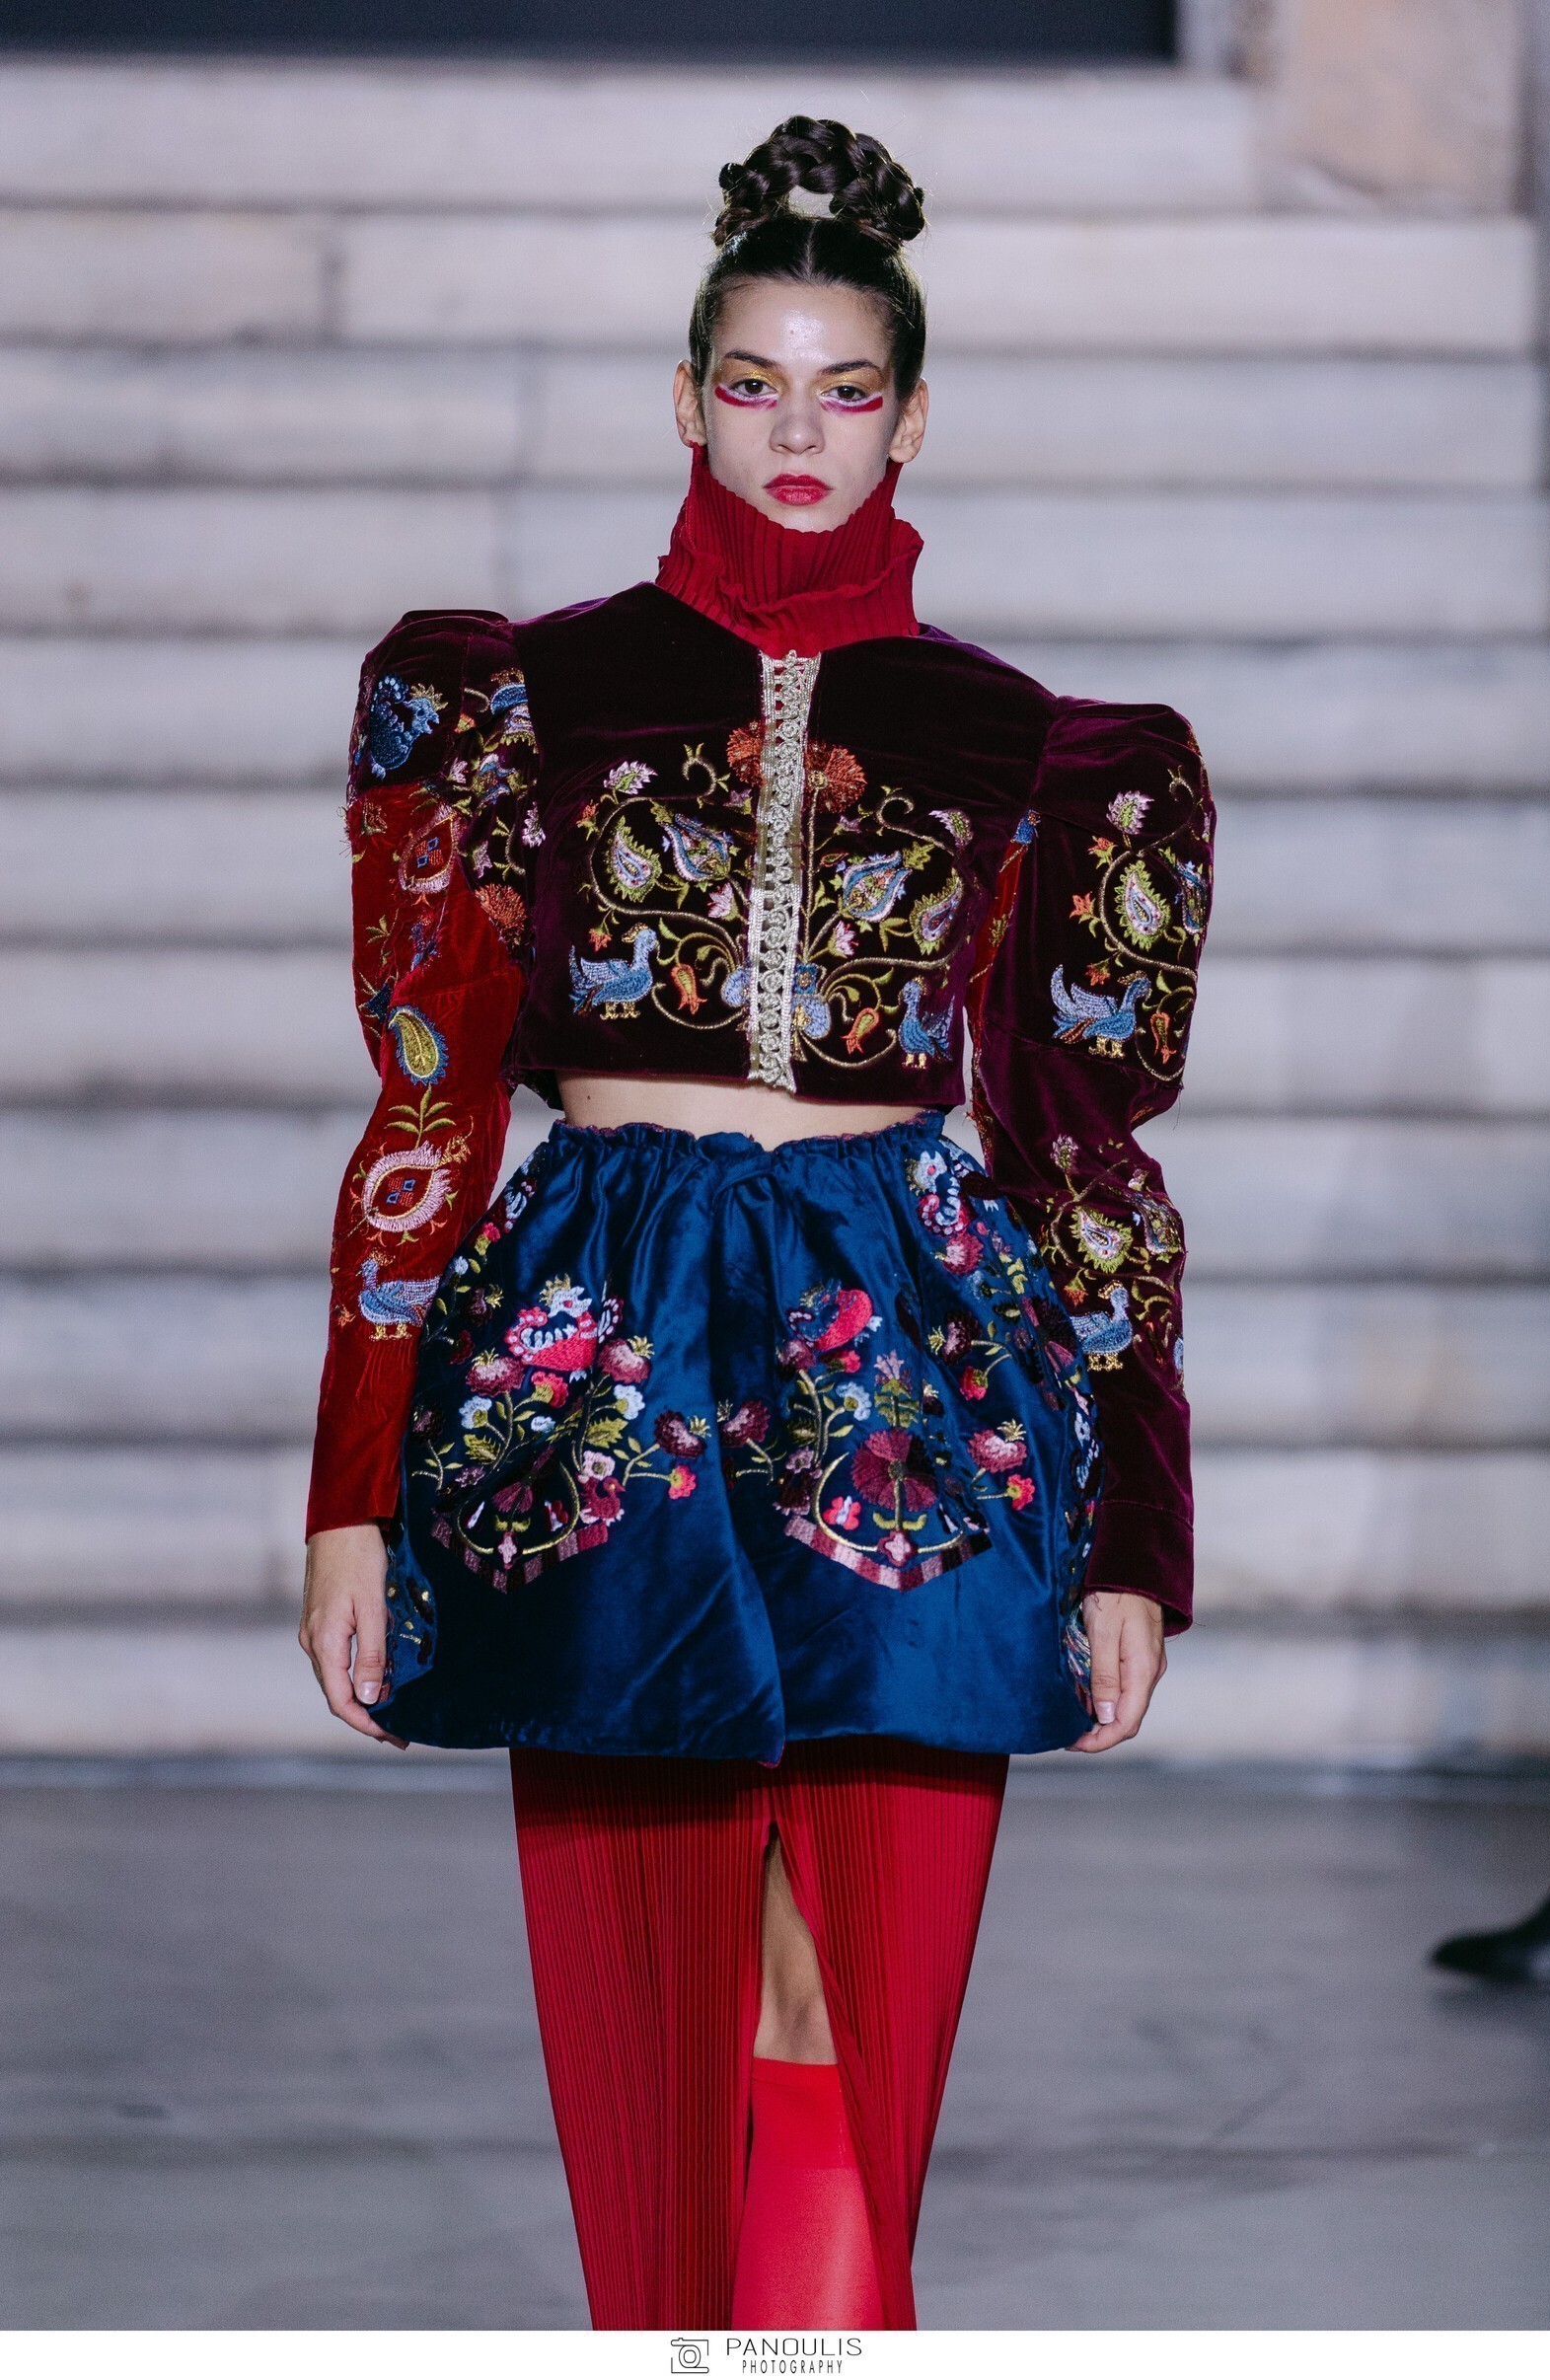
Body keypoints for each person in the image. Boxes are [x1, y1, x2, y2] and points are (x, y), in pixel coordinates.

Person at [298, 115, 1215, 2330]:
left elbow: (1078, 1156)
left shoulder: (1029, 746)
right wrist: (350, 1493)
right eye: (752, 383)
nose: (798, 433)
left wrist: (1134, 1530)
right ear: (686, 398)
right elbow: (428, 1109)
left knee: (855, 1977)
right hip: (600, 1341)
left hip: (911, 1348)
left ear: (912, 414)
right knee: (653, 1988)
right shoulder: (511, 701)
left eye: (844, 388)